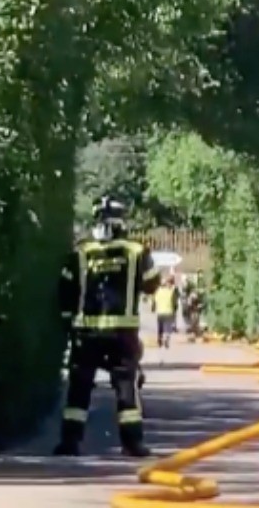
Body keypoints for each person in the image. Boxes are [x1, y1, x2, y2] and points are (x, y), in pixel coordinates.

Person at [55, 196, 159, 457]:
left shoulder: (80, 252)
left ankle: (70, 442)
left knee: (79, 388)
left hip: (86, 333)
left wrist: (67, 322)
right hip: (123, 333)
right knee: (126, 389)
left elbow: (65, 289)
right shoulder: (137, 251)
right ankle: (132, 443)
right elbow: (152, 283)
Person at [154, 279, 177, 349]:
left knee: (160, 327)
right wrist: (174, 310)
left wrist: (153, 308)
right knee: (168, 327)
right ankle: (166, 338)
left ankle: (159, 339)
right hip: (168, 312)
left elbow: (154, 301)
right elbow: (174, 303)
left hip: (160, 312)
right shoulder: (170, 292)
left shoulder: (158, 292)